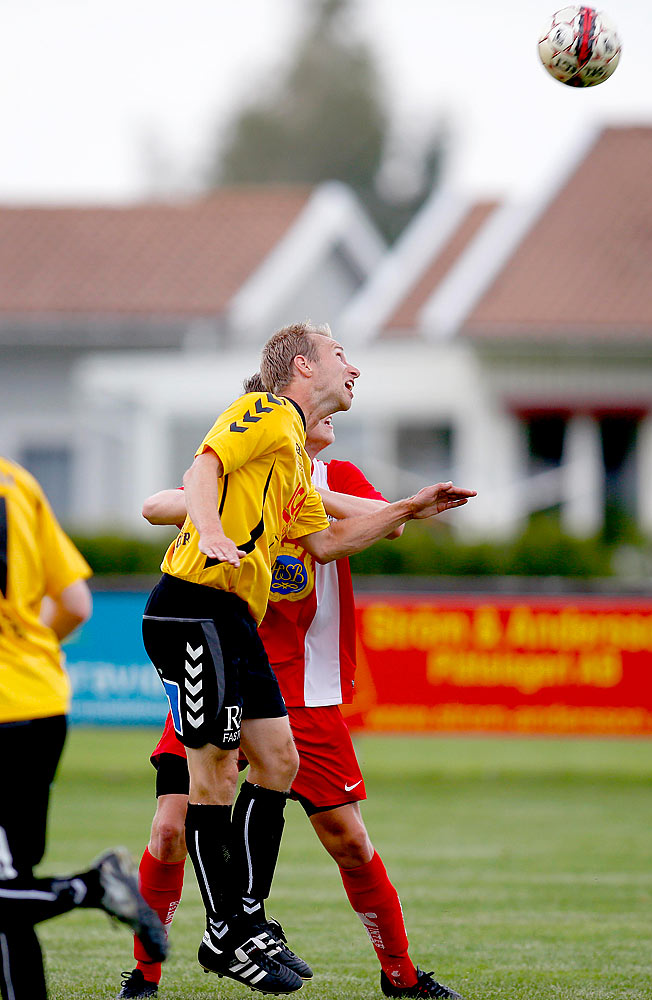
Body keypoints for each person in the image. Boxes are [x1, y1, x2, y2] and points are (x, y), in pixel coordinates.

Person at [141, 322, 474, 994]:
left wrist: (408, 505)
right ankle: (189, 950)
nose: (354, 371)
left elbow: (325, 537)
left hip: (276, 663)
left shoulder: (300, 463)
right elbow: (183, 483)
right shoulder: (262, 421)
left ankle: (271, 929)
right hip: (202, 618)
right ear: (299, 372)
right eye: (342, 357)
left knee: (306, 796)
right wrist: (206, 520)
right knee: (184, 809)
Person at [0, 454, 169, 999]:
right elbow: (74, 603)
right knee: (12, 889)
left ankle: (89, 888)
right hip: (39, 702)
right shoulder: (15, 478)